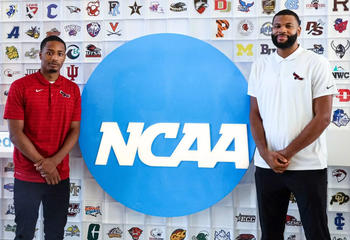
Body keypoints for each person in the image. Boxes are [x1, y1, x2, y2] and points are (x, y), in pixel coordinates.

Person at [248, 9, 338, 240]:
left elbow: (324, 117)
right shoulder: (260, 64)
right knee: (270, 233)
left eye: (288, 26)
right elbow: (255, 114)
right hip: (266, 166)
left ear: (299, 30)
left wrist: (286, 153)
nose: (282, 30)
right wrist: (266, 154)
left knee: (317, 232)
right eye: (277, 26)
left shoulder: (316, 63)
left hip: (307, 165)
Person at [4, 35, 81, 240]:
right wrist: (42, 164)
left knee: (55, 234)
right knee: (24, 233)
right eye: (49, 52)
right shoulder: (20, 87)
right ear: (40, 55)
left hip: (58, 176)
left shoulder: (72, 90)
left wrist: (53, 163)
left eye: (59, 54)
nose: (54, 58)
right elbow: (15, 134)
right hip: (27, 176)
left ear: (65, 58)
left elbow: (75, 130)